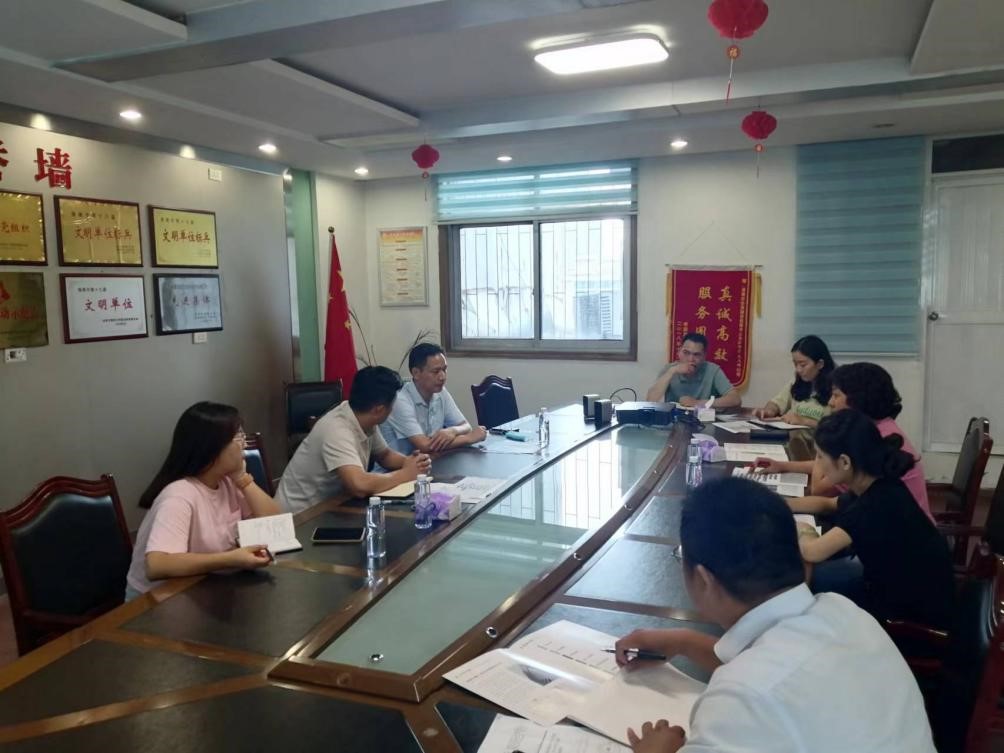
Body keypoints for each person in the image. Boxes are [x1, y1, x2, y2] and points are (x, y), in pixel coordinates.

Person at [614, 477, 936, 753]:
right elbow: (775, 673)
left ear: (704, 579)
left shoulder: (741, 700)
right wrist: (682, 642)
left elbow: (760, 686)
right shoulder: (844, 612)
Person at [795, 410, 954, 628]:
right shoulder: (875, 482)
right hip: (899, 580)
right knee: (814, 573)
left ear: (844, 462)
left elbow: (813, 551)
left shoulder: (872, 505)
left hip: (909, 613)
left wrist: (803, 527)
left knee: (802, 580)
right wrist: (779, 503)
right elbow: (827, 504)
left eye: (821, 457)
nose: (819, 465)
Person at [125, 402, 282, 598]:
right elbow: (157, 565)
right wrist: (230, 559)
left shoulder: (226, 481)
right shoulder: (179, 495)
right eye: (237, 437)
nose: (244, 444)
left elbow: (276, 523)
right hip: (155, 600)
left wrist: (242, 478)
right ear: (212, 448)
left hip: (202, 587)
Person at [756, 362, 932, 519]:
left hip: (900, 535)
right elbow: (832, 465)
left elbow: (820, 489)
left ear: (858, 399)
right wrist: (783, 466)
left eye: (836, 395)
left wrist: (822, 435)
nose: (830, 403)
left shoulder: (870, 439)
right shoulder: (876, 426)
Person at [275, 365, 431, 513]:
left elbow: (384, 455)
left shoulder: (362, 415)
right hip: (300, 517)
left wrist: (412, 463)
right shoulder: (336, 430)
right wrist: (405, 474)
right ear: (379, 410)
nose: (393, 409)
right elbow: (359, 485)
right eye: (392, 404)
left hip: (334, 507)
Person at [381, 343, 487, 453]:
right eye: (435, 371)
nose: (442, 377)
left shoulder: (441, 392)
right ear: (416, 373)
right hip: (400, 463)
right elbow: (426, 446)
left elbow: (466, 427)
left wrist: (452, 431)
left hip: (431, 459)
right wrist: (469, 438)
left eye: (444, 370)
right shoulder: (400, 401)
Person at [752, 335, 834, 428]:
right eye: (795, 364)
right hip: (792, 435)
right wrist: (769, 411)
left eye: (803, 365)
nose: (798, 370)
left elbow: (838, 427)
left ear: (820, 364)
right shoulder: (797, 381)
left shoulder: (837, 387)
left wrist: (804, 421)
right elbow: (776, 403)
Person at [645, 333, 741, 408]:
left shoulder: (712, 370)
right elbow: (650, 400)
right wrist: (672, 372)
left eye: (697, 355)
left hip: (703, 421)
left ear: (704, 356)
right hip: (674, 421)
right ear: (679, 352)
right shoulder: (669, 369)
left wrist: (699, 403)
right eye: (686, 353)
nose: (690, 359)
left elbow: (735, 399)